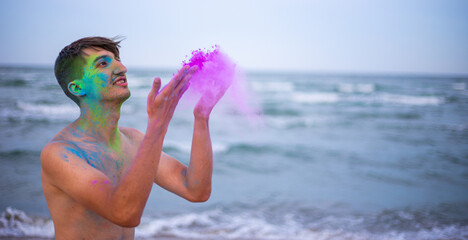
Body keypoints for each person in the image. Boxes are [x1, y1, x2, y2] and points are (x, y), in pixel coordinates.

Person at [41, 36, 224, 239]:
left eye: (117, 59)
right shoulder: (60, 154)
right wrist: (157, 126)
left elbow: (196, 190)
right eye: (103, 63)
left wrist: (202, 115)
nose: (122, 67)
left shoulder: (133, 141)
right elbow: (124, 213)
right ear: (78, 87)